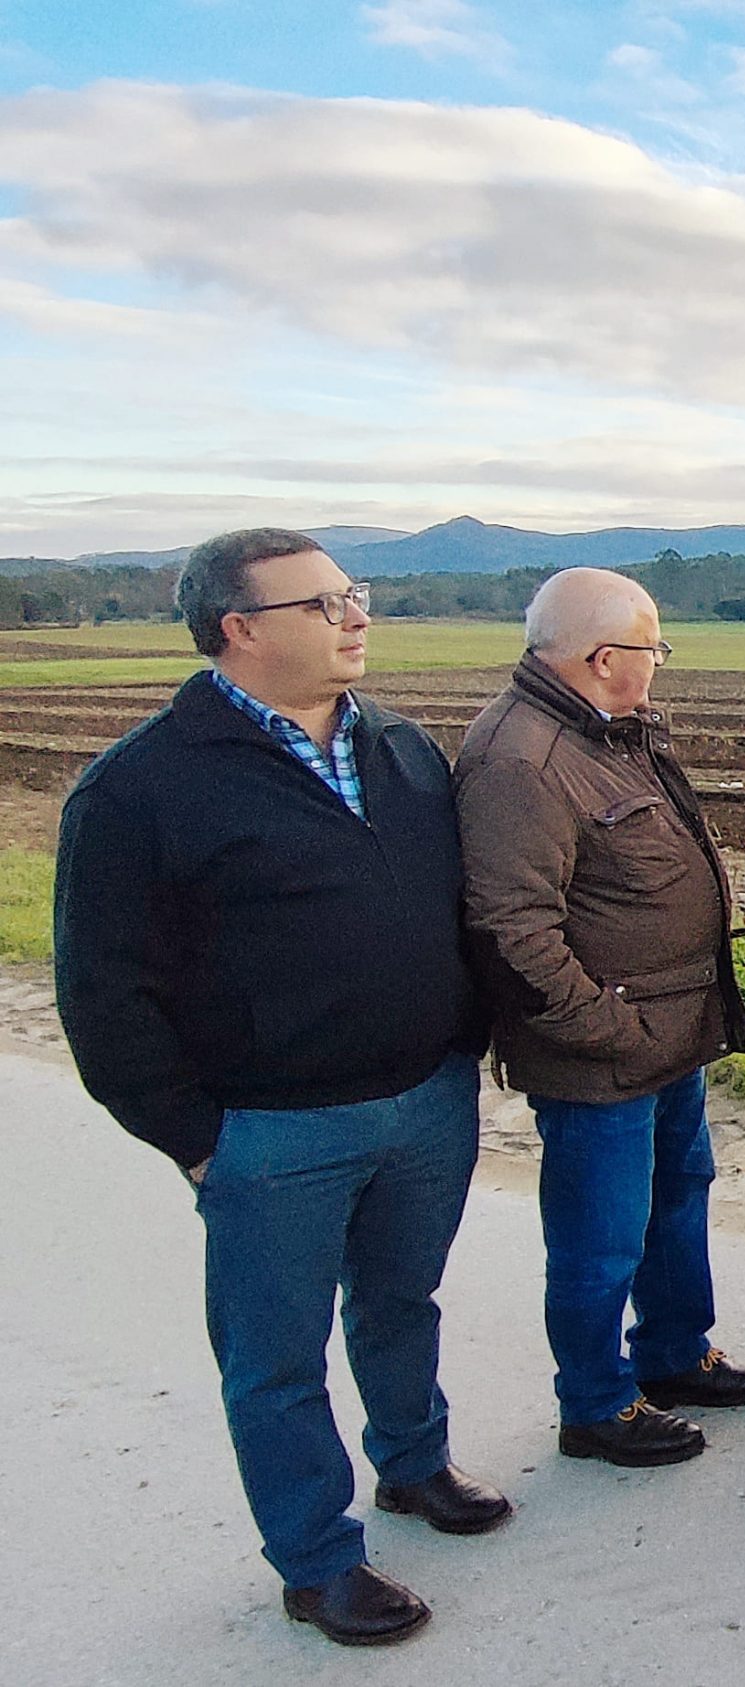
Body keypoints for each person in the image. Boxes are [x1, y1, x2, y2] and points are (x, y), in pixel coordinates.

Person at [56, 529, 502, 1646]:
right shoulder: (139, 787)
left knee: (403, 1301)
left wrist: (466, 1043)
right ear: (239, 630)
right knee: (276, 1357)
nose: (357, 616)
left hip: (426, 1101)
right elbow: (103, 994)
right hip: (272, 1133)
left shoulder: (400, 747)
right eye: (323, 603)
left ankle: (413, 1463)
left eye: (356, 594)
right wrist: (201, 1140)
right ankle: (317, 1558)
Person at [456, 569, 745, 1471]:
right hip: (604, 1053)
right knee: (600, 1238)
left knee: (677, 1197)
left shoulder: (609, 732)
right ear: (603, 658)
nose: (659, 664)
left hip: (671, 1034)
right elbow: (512, 932)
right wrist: (611, 1030)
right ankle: (595, 1403)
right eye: (653, 648)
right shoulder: (523, 759)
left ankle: (673, 1353)